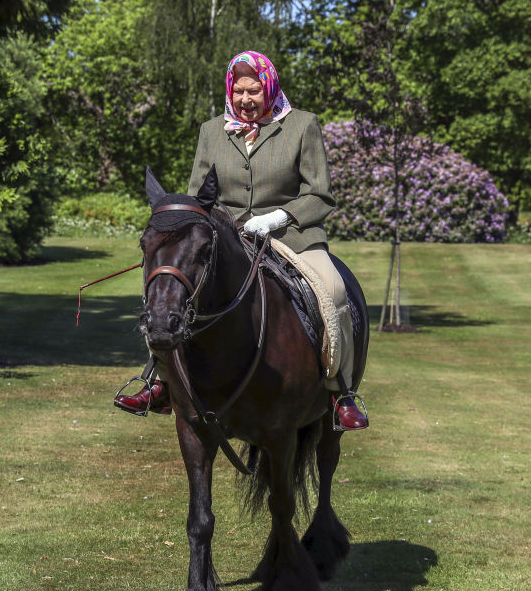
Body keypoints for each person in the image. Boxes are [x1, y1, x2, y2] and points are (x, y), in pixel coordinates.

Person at [115, 50, 368, 430]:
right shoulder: (211, 130)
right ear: (230, 91)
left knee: (333, 290)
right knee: (172, 290)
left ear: (269, 87)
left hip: (292, 234)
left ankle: (339, 391)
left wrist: (278, 218)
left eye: (255, 91)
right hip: (226, 236)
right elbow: (199, 196)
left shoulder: (301, 125)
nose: (247, 100)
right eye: (240, 92)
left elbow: (319, 194)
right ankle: (161, 381)